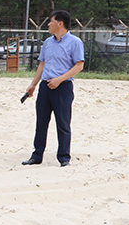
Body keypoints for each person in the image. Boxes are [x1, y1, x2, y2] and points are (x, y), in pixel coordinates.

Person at [22, 10, 84, 167]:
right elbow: (42, 64)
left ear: (60, 23)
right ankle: (37, 155)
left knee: (63, 123)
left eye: (50, 21)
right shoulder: (48, 43)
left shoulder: (75, 42)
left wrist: (59, 80)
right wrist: (33, 85)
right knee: (41, 123)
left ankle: (64, 157)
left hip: (63, 87)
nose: (48, 24)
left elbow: (79, 65)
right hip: (45, 87)